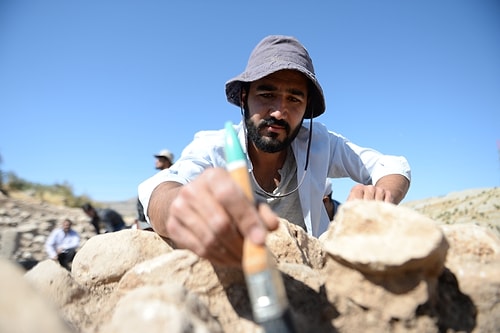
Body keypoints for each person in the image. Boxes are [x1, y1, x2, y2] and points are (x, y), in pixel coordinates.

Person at [138, 35, 411, 267]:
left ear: (307, 109)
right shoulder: (217, 146)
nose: (279, 112)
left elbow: (393, 167)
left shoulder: (320, 143)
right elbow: (161, 189)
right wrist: (182, 208)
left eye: (294, 99)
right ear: (244, 98)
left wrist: (380, 196)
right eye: (267, 95)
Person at [134, 149, 175, 230]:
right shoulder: (160, 177)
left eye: (159, 159)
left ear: (167, 161)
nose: (156, 161)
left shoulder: (170, 176)